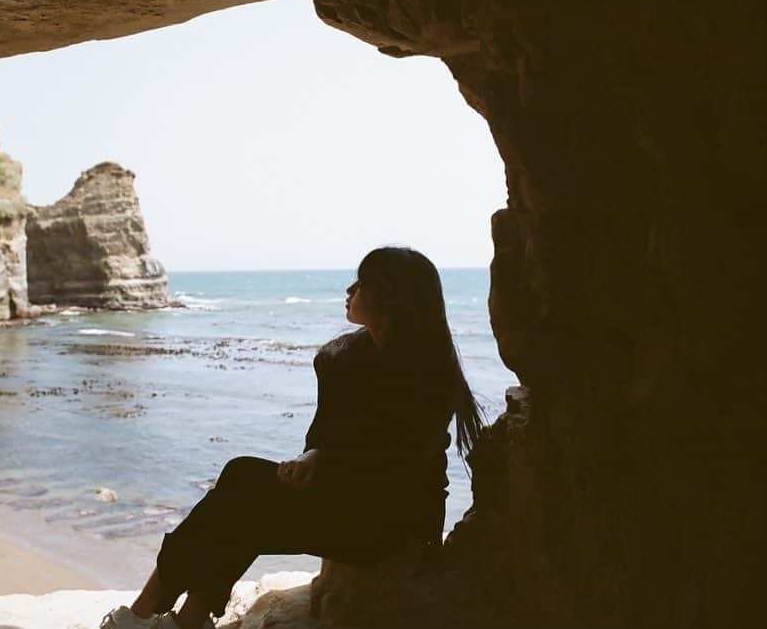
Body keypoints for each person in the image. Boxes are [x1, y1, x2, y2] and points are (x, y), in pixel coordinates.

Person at [99, 246, 485, 629]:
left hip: (391, 523)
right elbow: (329, 435)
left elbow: (395, 466)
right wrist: (311, 457)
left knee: (242, 492)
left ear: (391, 297)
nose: (349, 290)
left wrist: (324, 465)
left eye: (362, 282)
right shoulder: (348, 359)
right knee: (241, 490)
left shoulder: (426, 374)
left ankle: (152, 612)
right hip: (349, 499)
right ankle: (182, 620)